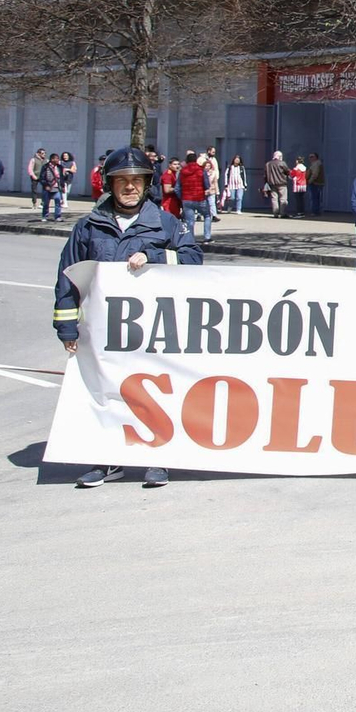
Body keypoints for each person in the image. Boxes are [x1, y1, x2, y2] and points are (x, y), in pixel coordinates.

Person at [52, 147, 203, 488]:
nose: (130, 187)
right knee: (106, 393)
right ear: (110, 184)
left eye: (137, 180)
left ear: (147, 184)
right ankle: (106, 460)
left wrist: (153, 256)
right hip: (104, 331)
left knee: (156, 394)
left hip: (155, 330)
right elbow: (68, 276)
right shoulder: (88, 226)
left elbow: (193, 259)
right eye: (122, 181)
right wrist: (66, 327)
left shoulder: (166, 222)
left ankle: (157, 457)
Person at [177, 151, 212, 242]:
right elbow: (207, 185)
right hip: (199, 197)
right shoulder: (201, 170)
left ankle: (190, 239)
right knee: (207, 215)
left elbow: (177, 188)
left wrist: (181, 197)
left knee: (190, 221)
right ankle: (207, 237)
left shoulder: (182, 172)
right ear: (196, 160)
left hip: (187, 199)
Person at [40, 153, 67, 221]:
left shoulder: (60, 167)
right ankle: (45, 216)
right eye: (56, 158)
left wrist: (63, 186)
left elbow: (62, 178)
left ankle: (57, 216)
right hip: (48, 187)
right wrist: (45, 185)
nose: (58, 160)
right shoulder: (45, 167)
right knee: (46, 203)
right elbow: (42, 177)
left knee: (58, 201)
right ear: (52, 159)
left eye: (58, 158)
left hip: (56, 187)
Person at [264, 151, 290, 217]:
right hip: (282, 183)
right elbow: (287, 171)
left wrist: (266, 182)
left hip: (272, 183)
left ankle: (275, 213)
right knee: (283, 199)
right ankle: (283, 213)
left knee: (274, 199)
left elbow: (265, 174)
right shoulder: (282, 163)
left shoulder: (268, 164)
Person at [305, 150, 325, 216]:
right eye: (310, 157)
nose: (310, 158)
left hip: (315, 183)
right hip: (318, 183)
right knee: (317, 198)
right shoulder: (317, 164)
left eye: (312, 157)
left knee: (314, 198)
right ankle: (317, 211)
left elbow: (315, 174)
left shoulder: (316, 164)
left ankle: (315, 211)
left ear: (316, 157)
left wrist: (309, 181)